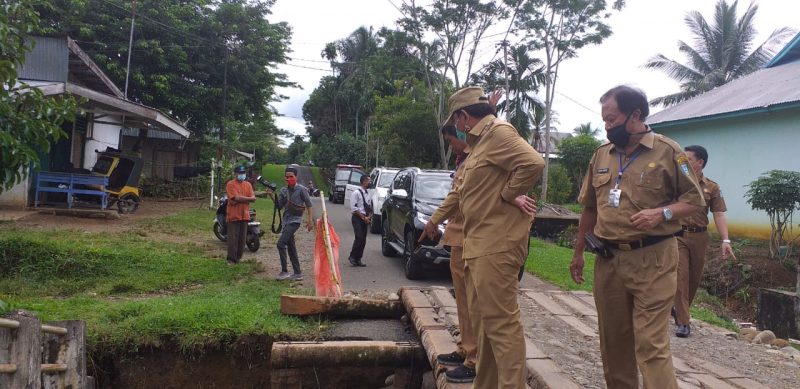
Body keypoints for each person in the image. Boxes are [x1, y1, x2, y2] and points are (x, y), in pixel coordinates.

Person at [569, 85, 705, 389]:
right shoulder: (601, 155)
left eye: (612, 118)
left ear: (636, 115)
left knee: (650, 344)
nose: (607, 126)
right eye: (604, 119)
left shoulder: (669, 151)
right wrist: (578, 252)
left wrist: (662, 214)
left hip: (654, 260)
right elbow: (589, 208)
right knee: (613, 341)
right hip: (609, 260)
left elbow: (695, 201)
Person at [421, 86, 543, 388]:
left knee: (502, 325)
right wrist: (436, 219)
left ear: (464, 117)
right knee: (488, 324)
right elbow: (463, 192)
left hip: (498, 243)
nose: (458, 128)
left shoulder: (498, 132)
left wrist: (509, 193)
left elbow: (534, 163)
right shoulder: (481, 142)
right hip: (479, 242)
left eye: (458, 120)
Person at [427, 124, 478, 383]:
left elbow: (457, 196)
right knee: (462, 300)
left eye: (452, 139)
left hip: (472, 236)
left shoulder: (479, 155)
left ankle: (475, 359)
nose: (451, 146)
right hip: (458, 236)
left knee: (473, 301)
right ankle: (466, 348)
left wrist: (434, 220)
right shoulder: (463, 160)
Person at [674, 145, 735, 338]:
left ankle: (679, 309)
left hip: (700, 237)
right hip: (677, 235)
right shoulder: (676, 183)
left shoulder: (712, 187)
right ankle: (684, 322)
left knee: (694, 279)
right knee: (680, 277)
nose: (684, 162)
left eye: (688, 159)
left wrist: (726, 240)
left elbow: (719, 214)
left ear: (700, 163)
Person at [275, 165, 314, 281]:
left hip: (295, 221)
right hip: (286, 221)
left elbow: (309, 204)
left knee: (280, 243)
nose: (288, 179)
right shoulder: (283, 190)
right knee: (291, 247)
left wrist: (310, 220)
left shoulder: (302, 189)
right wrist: (272, 196)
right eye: (286, 177)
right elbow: (279, 206)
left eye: (291, 176)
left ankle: (284, 271)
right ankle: (298, 273)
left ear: (296, 177)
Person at [226, 165, 256, 265]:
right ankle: (231, 259)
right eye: (240, 173)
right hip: (233, 215)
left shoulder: (248, 185)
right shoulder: (230, 184)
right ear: (235, 174)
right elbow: (235, 198)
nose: (242, 175)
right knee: (233, 238)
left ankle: (238, 258)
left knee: (242, 239)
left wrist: (242, 199)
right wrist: (248, 199)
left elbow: (252, 197)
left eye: (243, 173)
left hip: (245, 214)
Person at [348, 175, 372, 267]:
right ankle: (352, 257)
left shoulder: (367, 193)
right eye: (369, 181)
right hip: (357, 218)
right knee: (359, 237)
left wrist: (368, 217)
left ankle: (358, 258)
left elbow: (368, 207)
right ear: (364, 182)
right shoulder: (356, 193)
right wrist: (363, 217)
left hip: (365, 219)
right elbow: (354, 208)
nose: (370, 182)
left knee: (363, 240)